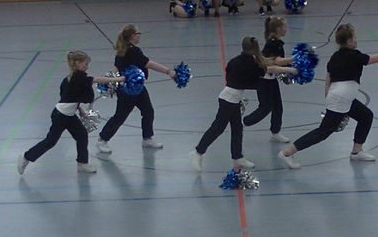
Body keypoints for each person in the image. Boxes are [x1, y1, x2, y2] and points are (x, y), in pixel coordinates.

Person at [276, 24, 378, 169]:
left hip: (342, 98)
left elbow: (328, 80)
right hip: (341, 99)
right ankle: (287, 153)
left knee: (366, 116)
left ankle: (356, 151)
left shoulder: (335, 57)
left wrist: (328, 99)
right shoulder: (355, 56)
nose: (356, 40)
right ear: (349, 41)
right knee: (323, 132)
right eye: (355, 37)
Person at [190, 37, 297, 172]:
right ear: (254, 49)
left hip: (233, 99)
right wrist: (290, 70)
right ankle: (197, 152)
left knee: (237, 129)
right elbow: (270, 68)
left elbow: (265, 67)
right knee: (218, 128)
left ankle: (237, 157)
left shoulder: (238, 61)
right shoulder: (250, 64)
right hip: (228, 100)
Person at [18, 51, 125, 174]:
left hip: (69, 115)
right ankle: (26, 157)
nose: (87, 66)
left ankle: (82, 163)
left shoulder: (73, 78)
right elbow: (97, 80)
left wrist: (79, 110)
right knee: (50, 141)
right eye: (85, 64)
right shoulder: (79, 78)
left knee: (82, 135)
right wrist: (118, 79)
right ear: (77, 63)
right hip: (61, 116)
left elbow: (72, 97)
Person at [96, 25, 176, 156]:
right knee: (120, 116)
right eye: (138, 33)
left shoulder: (124, 49)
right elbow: (149, 64)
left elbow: (116, 67)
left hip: (138, 88)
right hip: (127, 91)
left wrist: (112, 79)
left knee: (148, 111)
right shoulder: (132, 51)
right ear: (132, 36)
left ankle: (147, 138)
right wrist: (168, 71)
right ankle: (102, 139)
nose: (140, 35)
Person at [243, 17, 294, 142]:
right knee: (265, 108)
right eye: (285, 27)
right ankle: (243, 122)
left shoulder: (277, 42)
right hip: (263, 80)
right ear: (278, 29)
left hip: (271, 79)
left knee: (278, 107)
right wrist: (295, 59)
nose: (286, 29)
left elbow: (278, 61)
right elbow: (276, 62)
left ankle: (275, 132)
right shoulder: (272, 43)